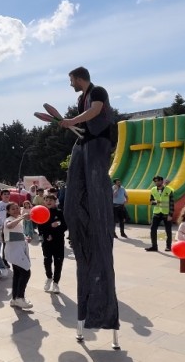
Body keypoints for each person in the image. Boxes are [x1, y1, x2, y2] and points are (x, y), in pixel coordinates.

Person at [58, 66, 119, 330]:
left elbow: (94, 112)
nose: (69, 82)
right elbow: (84, 117)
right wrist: (73, 123)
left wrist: (72, 121)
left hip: (98, 144)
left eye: (71, 79)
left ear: (79, 77)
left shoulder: (97, 91)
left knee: (95, 185)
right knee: (76, 186)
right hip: (84, 144)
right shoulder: (79, 98)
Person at [5, 202, 33, 308]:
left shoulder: (17, 221)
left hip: (18, 251)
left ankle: (14, 298)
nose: (16, 210)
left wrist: (26, 239)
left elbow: (16, 235)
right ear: (8, 211)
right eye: (13, 209)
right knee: (26, 272)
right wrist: (21, 217)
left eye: (17, 208)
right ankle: (20, 298)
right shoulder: (9, 220)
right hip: (14, 252)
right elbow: (9, 226)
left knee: (17, 274)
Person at [38, 193, 66, 294]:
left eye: (51, 200)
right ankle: (49, 277)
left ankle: (56, 283)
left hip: (58, 241)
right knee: (47, 261)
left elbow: (64, 226)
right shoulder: (41, 212)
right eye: (47, 200)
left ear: (55, 202)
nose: (49, 202)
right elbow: (40, 227)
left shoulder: (59, 212)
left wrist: (57, 224)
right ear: (44, 201)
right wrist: (48, 231)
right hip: (47, 242)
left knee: (58, 262)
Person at [145, 176, 175, 252]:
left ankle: (168, 246)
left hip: (166, 213)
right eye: (155, 181)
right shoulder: (153, 190)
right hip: (157, 212)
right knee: (153, 229)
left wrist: (170, 215)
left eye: (158, 181)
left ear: (162, 181)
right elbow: (151, 201)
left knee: (168, 230)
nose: (156, 182)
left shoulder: (169, 190)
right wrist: (155, 202)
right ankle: (154, 246)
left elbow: (172, 203)